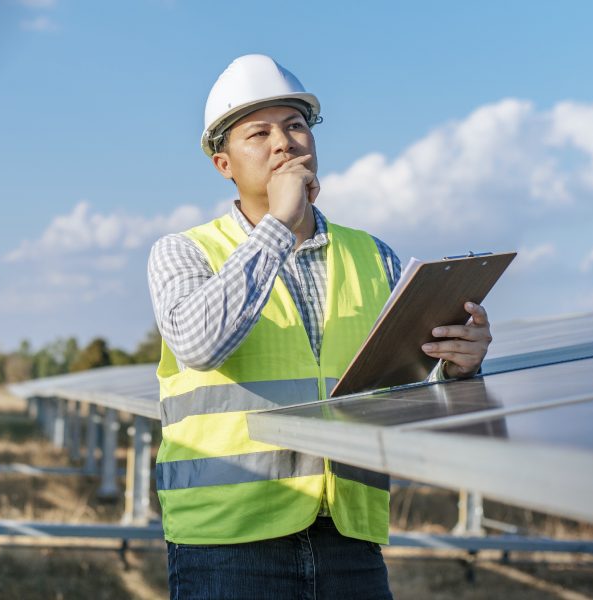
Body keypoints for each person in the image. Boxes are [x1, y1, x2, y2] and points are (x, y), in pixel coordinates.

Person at [147, 54, 492, 600]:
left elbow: (408, 387)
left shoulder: (375, 257)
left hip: (348, 535)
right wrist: (280, 224)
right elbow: (198, 343)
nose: (284, 143)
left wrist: (457, 365)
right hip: (228, 541)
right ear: (224, 165)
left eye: (296, 125)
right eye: (258, 133)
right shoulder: (185, 253)